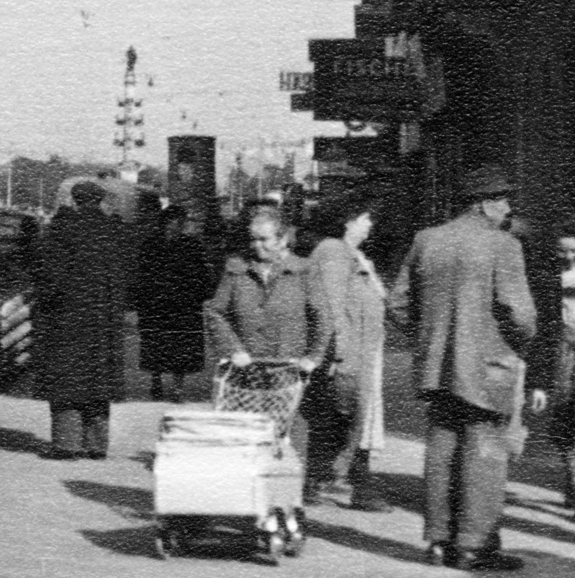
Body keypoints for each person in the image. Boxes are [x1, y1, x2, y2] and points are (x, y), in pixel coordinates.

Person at [389, 166, 537, 572]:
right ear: (484, 203)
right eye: (503, 199)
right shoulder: (502, 246)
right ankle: (473, 545)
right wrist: (514, 345)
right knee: (485, 456)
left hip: (436, 369)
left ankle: (438, 541)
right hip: (488, 369)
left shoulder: (426, 240)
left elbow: (398, 304)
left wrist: (430, 340)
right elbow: (520, 314)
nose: (507, 208)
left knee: (441, 451)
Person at [205, 201, 328, 478]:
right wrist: (233, 349)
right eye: (252, 239)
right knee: (246, 433)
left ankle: (289, 498)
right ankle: (251, 495)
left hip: (289, 370)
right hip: (246, 370)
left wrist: (313, 357)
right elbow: (215, 312)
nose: (257, 246)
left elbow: (323, 318)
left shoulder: (304, 270)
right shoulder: (236, 270)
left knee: (288, 434)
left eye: (264, 239)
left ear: (283, 238)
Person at [33, 180, 130, 459]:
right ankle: (96, 444)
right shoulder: (115, 230)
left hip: (68, 317)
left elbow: (47, 275)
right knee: (99, 379)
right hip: (104, 319)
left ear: (75, 201)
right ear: (99, 201)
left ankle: (67, 443)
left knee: (68, 378)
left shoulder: (62, 229)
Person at [304, 199, 390, 511]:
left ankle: (331, 482)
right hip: (347, 353)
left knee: (351, 416)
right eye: (366, 218)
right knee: (339, 414)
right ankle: (329, 482)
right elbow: (331, 303)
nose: (370, 225)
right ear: (348, 221)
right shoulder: (332, 251)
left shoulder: (353, 255)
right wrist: (340, 351)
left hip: (362, 350)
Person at [135, 204, 210, 404]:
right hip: (157, 303)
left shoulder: (191, 244)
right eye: (179, 220)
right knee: (157, 344)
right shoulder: (151, 245)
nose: (182, 224)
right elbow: (142, 275)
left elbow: (201, 274)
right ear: (168, 221)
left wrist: (198, 296)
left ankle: (177, 388)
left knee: (180, 347)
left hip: (182, 304)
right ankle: (156, 380)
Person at [529, 218, 575, 515]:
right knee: (563, 420)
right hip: (562, 353)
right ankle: (572, 480)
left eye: (574, 252)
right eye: (563, 251)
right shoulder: (546, 281)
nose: (568, 257)